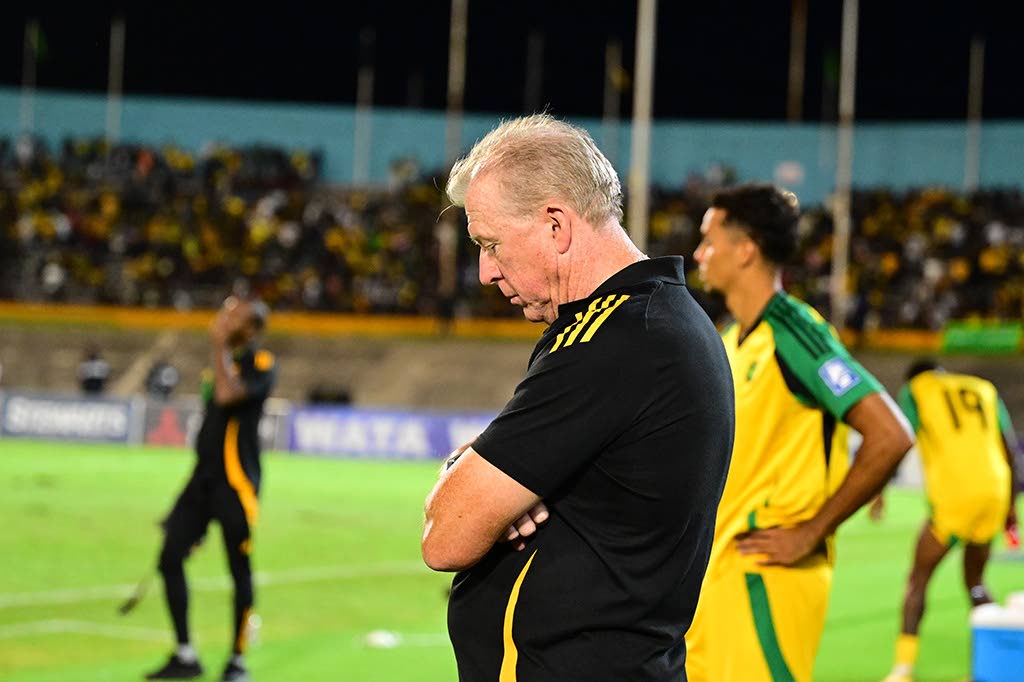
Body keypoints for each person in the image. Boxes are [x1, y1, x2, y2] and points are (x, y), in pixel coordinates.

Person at [421, 114, 735, 680]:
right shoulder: (640, 322)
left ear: (556, 226)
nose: (485, 272)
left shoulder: (617, 339)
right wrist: (485, 479)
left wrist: (483, 488)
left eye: (490, 244)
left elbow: (447, 537)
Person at [685, 183, 914, 682]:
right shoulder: (728, 340)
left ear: (745, 250)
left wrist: (812, 531)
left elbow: (891, 434)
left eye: (710, 240)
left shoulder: (795, 332)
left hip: (766, 576)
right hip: (715, 575)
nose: (699, 253)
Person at [145, 297, 275, 682]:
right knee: (169, 557)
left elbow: (226, 397)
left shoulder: (261, 364)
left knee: (239, 571)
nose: (225, 318)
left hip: (236, 485)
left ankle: (237, 660)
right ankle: (186, 653)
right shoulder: (219, 365)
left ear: (251, 328)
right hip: (202, 482)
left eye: (235, 315)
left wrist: (218, 345)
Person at [878, 359, 1019, 682]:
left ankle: (903, 667)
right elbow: (1009, 449)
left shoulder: (916, 390)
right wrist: (1010, 507)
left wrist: (879, 489)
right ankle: (995, 660)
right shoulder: (983, 387)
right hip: (994, 492)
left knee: (918, 579)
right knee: (976, 583)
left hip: (955, 495)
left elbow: (899, 437)